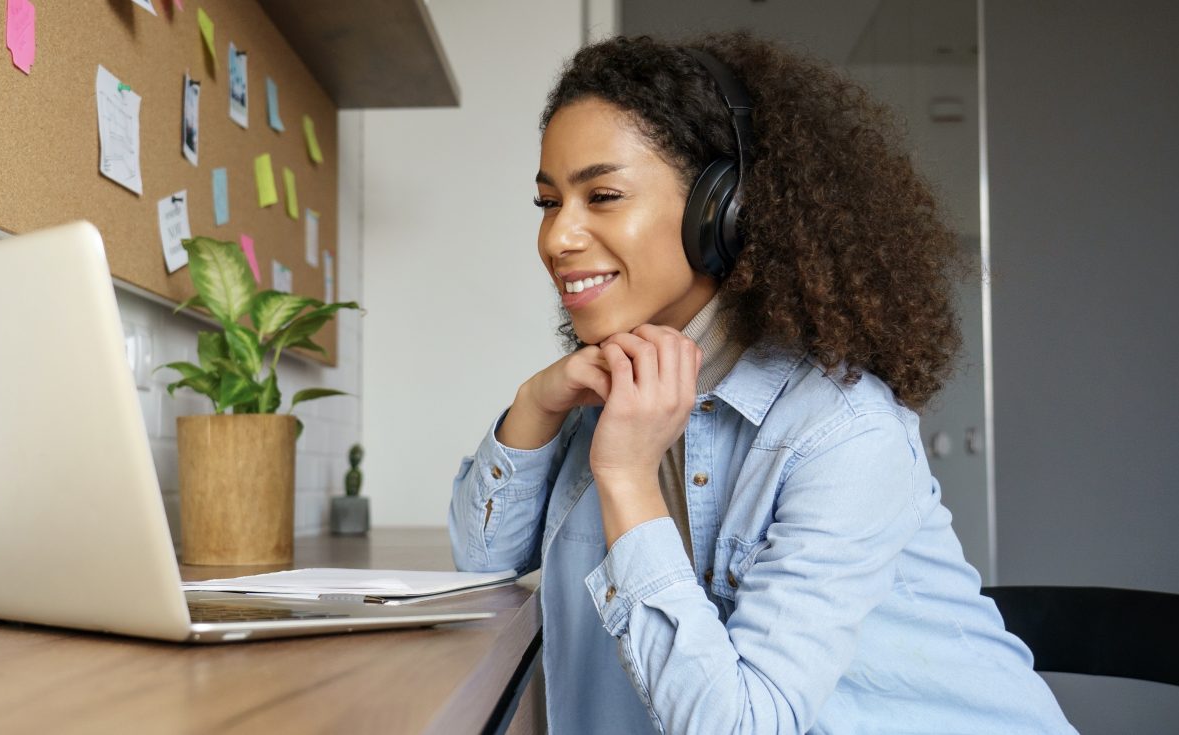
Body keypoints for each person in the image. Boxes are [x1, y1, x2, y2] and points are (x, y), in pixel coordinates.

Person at [447, 31, 1074, 734]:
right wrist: (536, 402)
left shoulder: (842, 430)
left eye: (603, 195)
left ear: (721, 207)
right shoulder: (616, 389)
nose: (558, 237)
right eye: (548, 202)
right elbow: (483, 561)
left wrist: (626, 475)